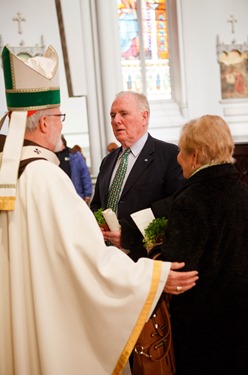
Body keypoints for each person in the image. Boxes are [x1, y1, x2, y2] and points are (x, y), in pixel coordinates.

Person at [0, 45, 198, 375]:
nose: (116, 121)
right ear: (46, 123)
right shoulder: (47, 177)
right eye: (59, 119)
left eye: (124, 114)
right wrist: (155, 276)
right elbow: (89, 258)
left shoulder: (11, 176)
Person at [158, 115, 248, 375]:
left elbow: (177, 271)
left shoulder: (191, 199)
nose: (178, 159)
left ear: (195, 156)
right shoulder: (244, 193)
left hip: (204, 326)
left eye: (181, 152)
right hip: (241, 318)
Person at [90, 91, 185, 261]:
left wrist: (129, 235)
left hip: (145, 258)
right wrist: (98, 227)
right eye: (112, 115)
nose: (115, 120)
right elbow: (97, 204)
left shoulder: (170, 155)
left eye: (123, 113)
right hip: (107, 258)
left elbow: (174, 208)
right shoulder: (108, 161)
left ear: (144, 116)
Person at [56, 135, 92, 205]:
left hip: (75, 194)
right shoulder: (52, 155)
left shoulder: (75, 155)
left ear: (62, 142)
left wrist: (88, 194)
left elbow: (85, 174)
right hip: (59, 196)